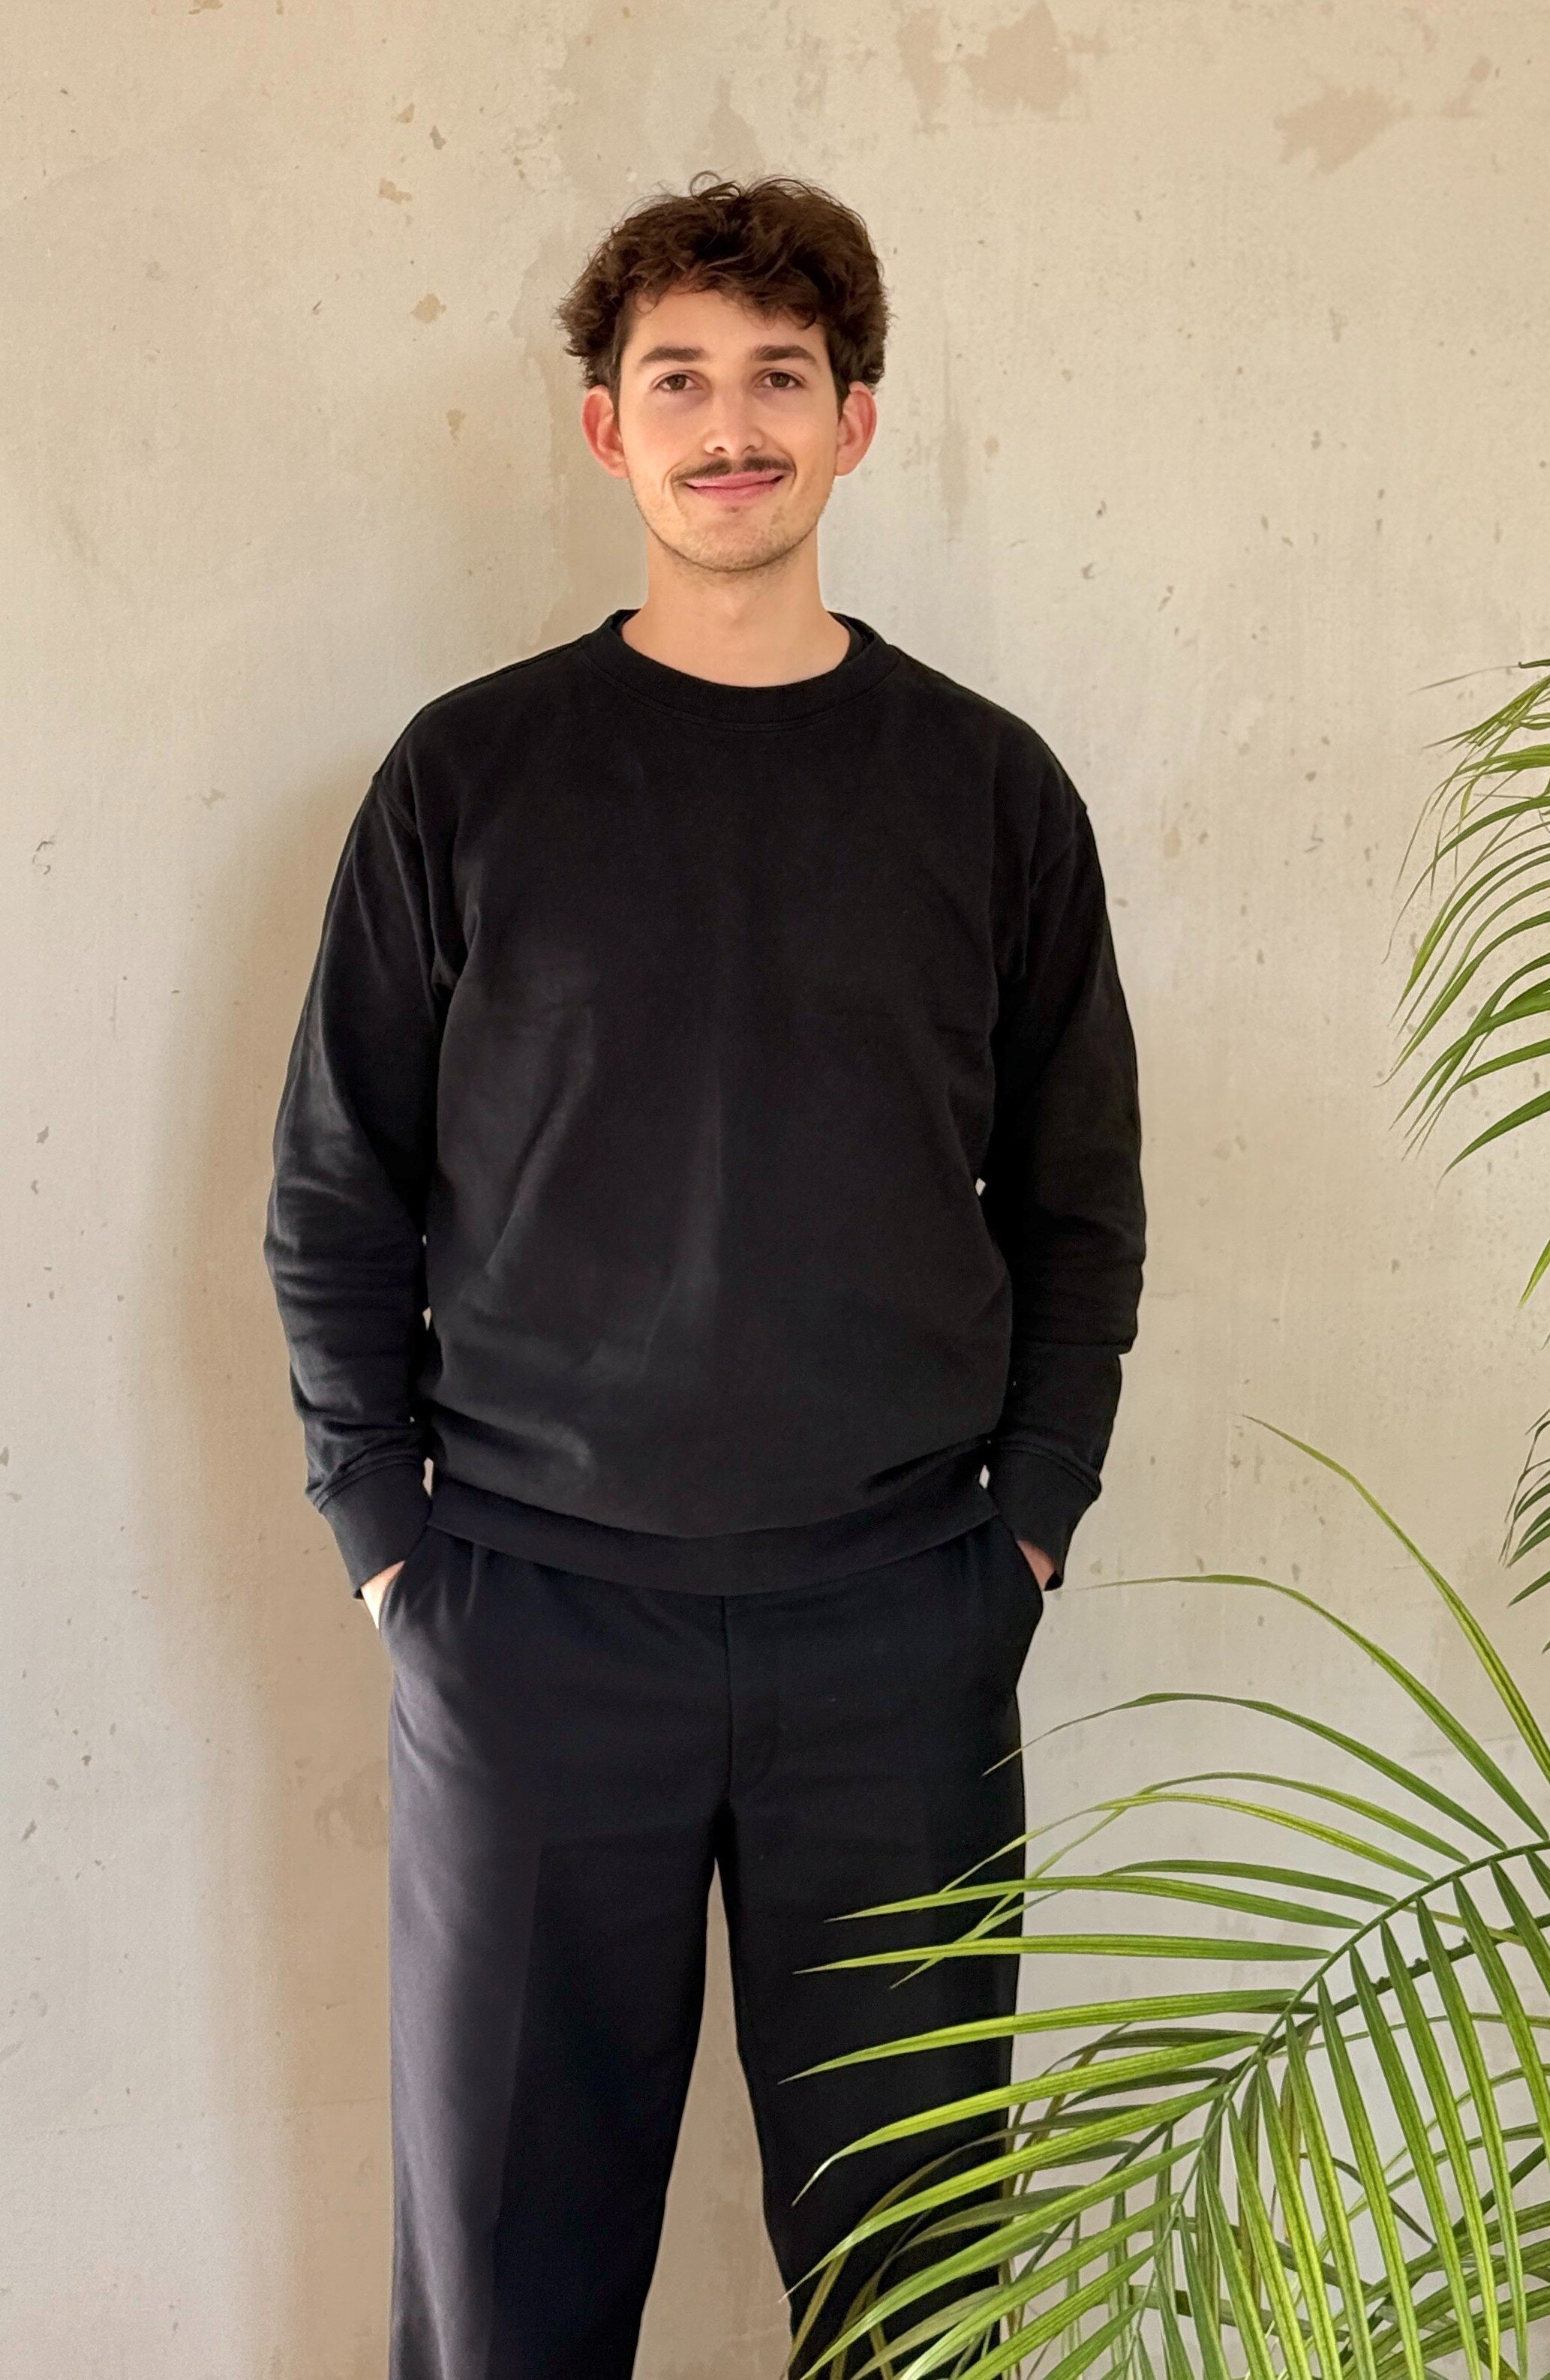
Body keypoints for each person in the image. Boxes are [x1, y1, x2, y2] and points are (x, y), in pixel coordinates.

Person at [263, 170, 1146, 2380]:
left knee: (909, 2301)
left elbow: (1079, 1205)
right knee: (507, 2292)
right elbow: (338, 1186)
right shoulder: (468, 778)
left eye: (779, 378)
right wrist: (389, 1543)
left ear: (858, 419)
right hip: (528, 1626)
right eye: (678, 380)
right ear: (604, 429)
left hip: (900, 1624)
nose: (729, 425)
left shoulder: (989, 792)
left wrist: (1026, 1526)